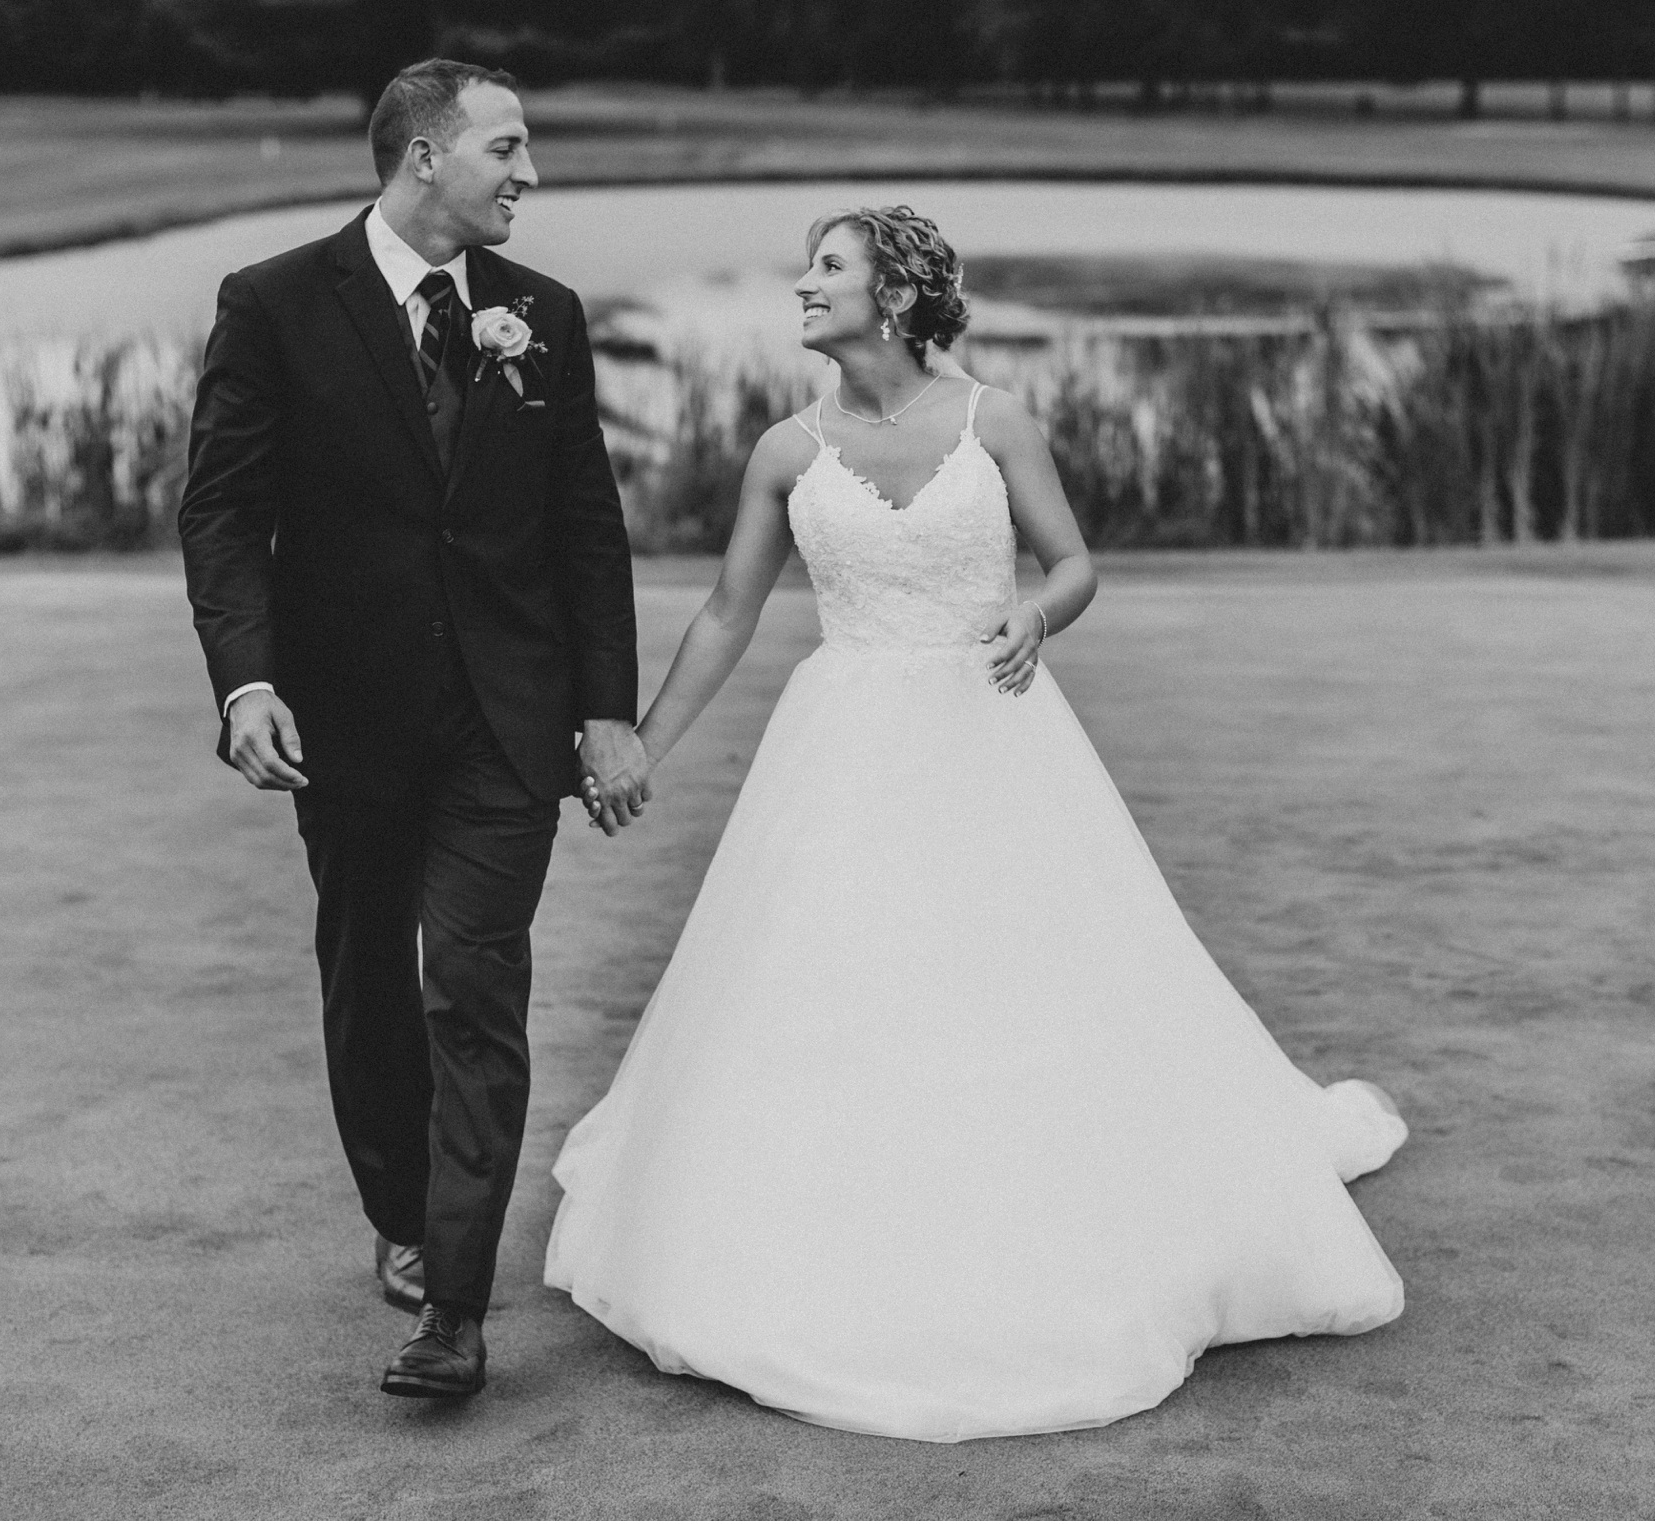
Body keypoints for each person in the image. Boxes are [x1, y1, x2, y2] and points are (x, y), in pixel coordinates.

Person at [544, 205, 1408, 1442]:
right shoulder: (785, 450)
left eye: (827, 267)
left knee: (1028, 978)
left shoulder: (994, 420)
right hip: (839, 742)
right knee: (832, 988)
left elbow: (1072, 562)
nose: (802, 285)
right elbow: (730, 614)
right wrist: (638, 743)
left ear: (892, 294)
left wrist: (1035, 618)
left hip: (991, 736)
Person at [177, 58, 651, 1400]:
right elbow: (221, 512)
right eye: (508, 148)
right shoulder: (273, 305)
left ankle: (453, 1298)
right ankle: (398, 1208)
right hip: (348, 720)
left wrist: (604, 709)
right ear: (425, 157)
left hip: (510, 723)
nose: (531, 174)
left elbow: (586, 528)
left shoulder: (541, 314)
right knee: (369, 975)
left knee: (475, 985)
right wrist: (247, 681)